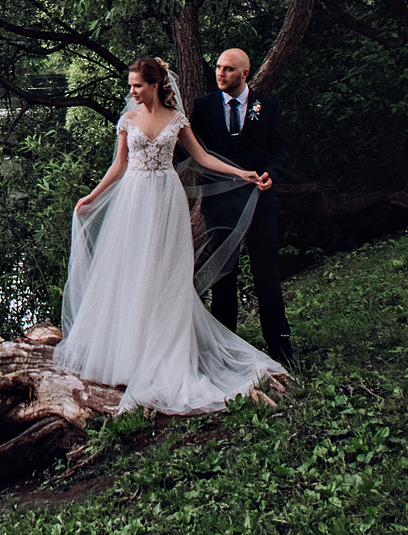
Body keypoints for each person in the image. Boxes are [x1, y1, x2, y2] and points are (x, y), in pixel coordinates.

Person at [54, 56, 284, 414]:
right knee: (131, 272)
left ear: (156, 85)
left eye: (137, 85)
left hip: (166, 200)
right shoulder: (127, 119)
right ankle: (127, 355)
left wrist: (242, 174)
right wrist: (92, 196)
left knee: (164, 274)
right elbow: (119, 166)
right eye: (130, 86)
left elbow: (204, 157)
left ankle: (165, 352)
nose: (132, 92)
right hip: (133, 202)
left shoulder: (177, 119)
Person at [189, 46, 294, 364]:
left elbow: (281, 150)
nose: (221, 73)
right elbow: (193, 151)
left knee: (267, 277)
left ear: (244, 73)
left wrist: (270, 175)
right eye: (219, 68)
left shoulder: (266, 106)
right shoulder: (203, 107)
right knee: (224, 279)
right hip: (219, 205)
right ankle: (225, 353)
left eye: (229, 69)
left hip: (258, 204)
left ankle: (280, 349)